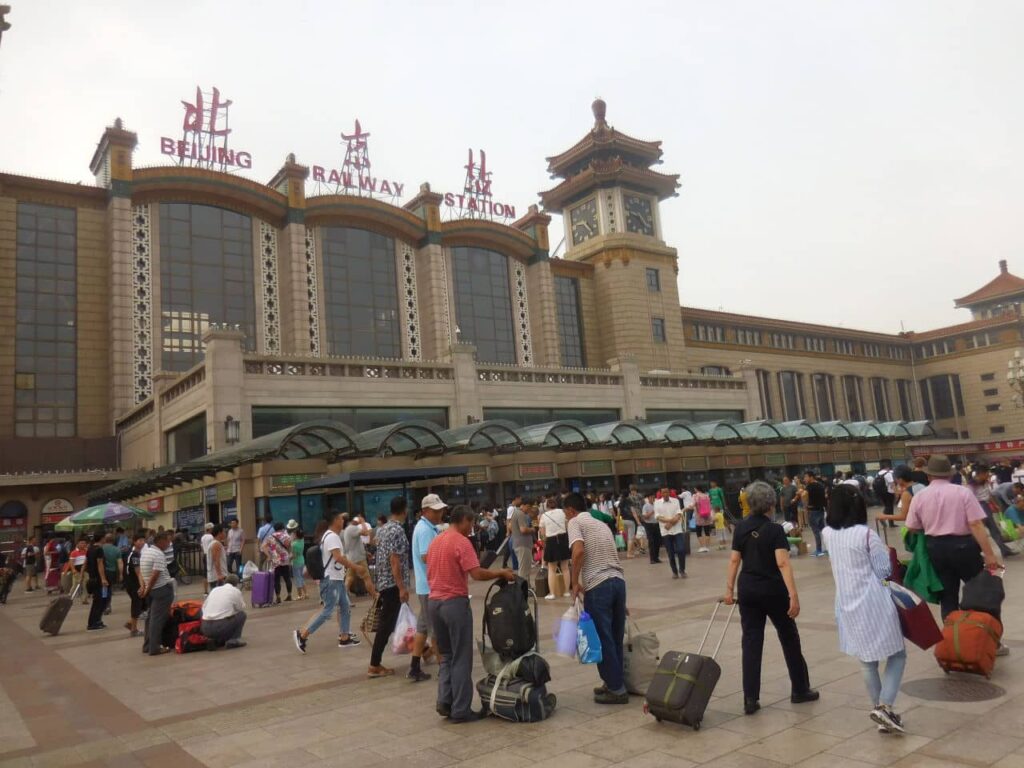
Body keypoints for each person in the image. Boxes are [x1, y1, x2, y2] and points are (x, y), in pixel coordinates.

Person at [723, 481, 818, 715]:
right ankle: (800, 689)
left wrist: (728, 590)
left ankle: (750, 698)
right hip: (774, 591)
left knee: (751, 642)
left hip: (748, 591)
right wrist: (793, 596)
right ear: (770, 504)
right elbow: (783, 563)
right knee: (789, 638)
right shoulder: (775, 530)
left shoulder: (741, 528)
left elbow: (735, 560)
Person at [823, 484, 906, 734]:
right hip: (874, 600)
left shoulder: (827, 533)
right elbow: (883, 570)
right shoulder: (866, 534)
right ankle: (884, 706)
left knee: (867, 661)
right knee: (898, 654)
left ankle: (881, 711)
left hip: (846, 602)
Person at [426, 505, 514, 722]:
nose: (472, 528)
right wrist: (501, 572)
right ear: (464, 520)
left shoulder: (437, 540)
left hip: (434, 603)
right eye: (471, 523)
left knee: (446, 656)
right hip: (453, 604)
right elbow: (477, 573)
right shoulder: (460, 542)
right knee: (461, 657)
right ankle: (461, 710)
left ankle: (444, 701)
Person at [905, 455, 1000, 620]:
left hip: (936, 549)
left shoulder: (919, 497)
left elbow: (912, 527)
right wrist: (990, 555)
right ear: (949, 475)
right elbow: (976, 524)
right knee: (978, 592)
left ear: (929, 475)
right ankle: (983, 636)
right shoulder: (962, 492)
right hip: (964, 547)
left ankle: (952, 639)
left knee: (948, 596)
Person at [564, 492, 628, 704]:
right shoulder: (600, 523)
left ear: (571, 510)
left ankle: (616, 690)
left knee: (603, 638)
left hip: (599, 586)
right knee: (615, 637)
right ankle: (614, 682)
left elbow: (579, 552)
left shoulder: (575, 522)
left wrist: (574, 582)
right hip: (618, 582)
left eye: (566, 514)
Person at [294, 511, 372, 653]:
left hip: (336, 578)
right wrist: (356, 567)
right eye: (341, 519)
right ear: (336, 520)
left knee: (345, 606)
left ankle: (344, 637)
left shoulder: (329, 535)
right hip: (331, 580)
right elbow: (338, 558)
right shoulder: (332, 537)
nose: (343, 522)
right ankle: (303, 635)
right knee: (328, 611)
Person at [368, 496, 413, 678]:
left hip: (384, 582)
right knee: (386, 625)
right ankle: (374, 664)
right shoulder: (397, 530)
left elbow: (379, 552)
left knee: (400, 619)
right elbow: (394, 560)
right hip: (393, 584)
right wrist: (401, 587)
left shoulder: (383, 529)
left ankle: (422, 649)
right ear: (404, 510)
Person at [410, 494, 445, 682]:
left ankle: (414, 666)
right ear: (425, 511)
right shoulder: (424, 530)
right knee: (435, 630)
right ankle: (443, 667)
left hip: (426, 585)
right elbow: (425, 556)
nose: (440, 513)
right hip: (429, 586)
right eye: (436, 510)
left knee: (423, 628)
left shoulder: (429, 527)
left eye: (441, 509)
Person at [139, 531, 175, 654]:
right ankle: (155, 647)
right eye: (168, 541)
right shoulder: (159, 554)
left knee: (150, 618)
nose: (169, 544)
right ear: (161, 541)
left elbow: (144, 572)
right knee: (157, 619)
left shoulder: (146, 552)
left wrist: (144, 588)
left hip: (152, 590)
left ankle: (147, 645)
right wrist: (147, 588)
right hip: (161, 589)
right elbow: (155, 574)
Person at [201, 574, 248, 649]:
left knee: (222, 616)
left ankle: (213, 639)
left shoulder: (215, 590)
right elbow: (240, 608)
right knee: (242, 615)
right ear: (236, 584)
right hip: (220, 626)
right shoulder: (235, 591)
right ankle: (233, 641)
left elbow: (203, 607)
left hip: (205, 627)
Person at [539, 497, 571, 600]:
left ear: (547, 506)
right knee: (565, 568)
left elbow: (542, 533)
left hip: (551, 541)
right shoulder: (562, 512)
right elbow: (567, 526)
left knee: (551, 569)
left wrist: (544, 544)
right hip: (562, 539)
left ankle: (552, 593)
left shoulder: (544, 516)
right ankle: (566, 592)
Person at [654, 487, 686, 577]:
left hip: (677, 530)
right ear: (661, 493)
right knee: (670, 553)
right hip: (666, 531)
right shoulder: (657, 503)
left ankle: (682, 570)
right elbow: (658, 516)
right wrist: (669, 521)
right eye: (663, 492)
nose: (665, 494)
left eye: (667, 492)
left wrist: (670, 523)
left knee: (681, 549)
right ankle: (674, 572)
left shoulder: (675, 501)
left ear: (669, 492)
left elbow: (679, 514)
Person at [262, 522, 293, 603]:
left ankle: (278, 597)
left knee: (276, 579)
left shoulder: (270, 537)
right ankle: (289, 595)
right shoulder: (286, 536)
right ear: (282, 527)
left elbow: (263, 547)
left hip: (275, 560)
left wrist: (268, 555)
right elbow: (289, 546)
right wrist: (289, 554)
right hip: (285, 559)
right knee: (287, 578)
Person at [84, 536, 109, 631]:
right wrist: (103, 578)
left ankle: (97, 620)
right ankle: (93, 622)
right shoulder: (99, 550)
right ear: (102, 538)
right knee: (100, 601)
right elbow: (100, 564)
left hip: (92, 578)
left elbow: (85, 563)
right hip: (98, 579)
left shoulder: (90, 549)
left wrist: (82, 574)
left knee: (99, 600)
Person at [343, 515, 371, 597]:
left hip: (351, 557)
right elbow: (366, 533)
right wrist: (362, 522)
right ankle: (374, 595)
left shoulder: (347, 530)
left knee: (349, 577)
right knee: (366, 577)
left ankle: (343, 596)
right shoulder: (352, 528)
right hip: (358, 558)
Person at [801, 471, 828, 557]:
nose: (804, 479)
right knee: (823, 530)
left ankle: (818, 550)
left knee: (816, 531)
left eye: (806, 477)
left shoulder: (809, 486)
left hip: (812, 511)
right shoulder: (820, 485)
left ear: (811, 477)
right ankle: (828, 548)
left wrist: (805, 505)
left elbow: (804, 496)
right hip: (820, 510)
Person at [123, 533, 145, 637]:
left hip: (129, 582)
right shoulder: (135, 555)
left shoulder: (130, 552)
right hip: (133, 583)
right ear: (134, 542)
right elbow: (138, 572)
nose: (142, 542)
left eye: (143, 540)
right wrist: (142, 585)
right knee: (136, 605)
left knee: (140, 604)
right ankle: (134, 630)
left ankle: (131, 623)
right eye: (139, 540)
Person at [510, 498, 535, 580]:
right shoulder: (520, 514)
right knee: (524, 569)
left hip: (519, 544)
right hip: (523, 545)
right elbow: (523, 529)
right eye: (528, 507)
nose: (529, 509)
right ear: (524, 505)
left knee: (525, 568)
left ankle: (527, 588)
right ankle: (522, 589)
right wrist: (532, 529)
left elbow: (510, 527)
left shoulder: (516, 513)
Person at [100, 533, 122, 614]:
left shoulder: (101, 548)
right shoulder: (117, 550)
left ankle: (103, 605)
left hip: (102, 571)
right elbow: (120, 563)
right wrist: (121, 574)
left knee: (103, 588)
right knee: (109, 588)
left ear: (105, 540)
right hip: (112, 572)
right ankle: (108, 604)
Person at [640, 492, 662, 565]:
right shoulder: (645, 506)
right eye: (651, 497)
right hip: (649, 525)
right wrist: (652, 512)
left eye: (654, 497)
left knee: (657, 541)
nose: (653, 499)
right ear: (648, 498)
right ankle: (652, 558)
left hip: (656, 524)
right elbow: (644, 517)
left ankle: (656, 557)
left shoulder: (656, 505)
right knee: (651, 541)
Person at [66, 538, 88, 603]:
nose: (83, 544)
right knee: (75, 584)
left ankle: (84, 599)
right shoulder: (74, 553)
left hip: (85, 570)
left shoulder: (86, 551)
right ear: (78, 544)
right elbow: (71, 562)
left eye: (84, 543)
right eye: (82, 543)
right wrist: (73, 570)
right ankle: (70, 595)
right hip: (77, 571)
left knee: (85, 584)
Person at [693, 486, 714, 553]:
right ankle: (707, 547)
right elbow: (710, 505)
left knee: (698, 532)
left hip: (699, 516)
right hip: (707, 515)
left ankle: (702, 547)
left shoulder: (695, 496)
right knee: (707, 531)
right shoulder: (706, 495)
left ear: (696, 489)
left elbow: (693, 504)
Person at [206, 524, 228, 590]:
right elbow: (216, 560)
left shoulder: (215, 543)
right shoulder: (216, 544)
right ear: (219, 533)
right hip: (217, 577)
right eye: (224, 532)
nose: (225, 533)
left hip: (216, 576)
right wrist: (219, 575)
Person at [289, 522, 307, 600]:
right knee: (301, 578)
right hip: (302, 560)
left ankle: (299, 595)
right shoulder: (302, 540)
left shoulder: (294, 544)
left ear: (296, 535)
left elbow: (293, 555)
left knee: (297, 579)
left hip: (296, 562)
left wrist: (288, 558)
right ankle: (306, 593)